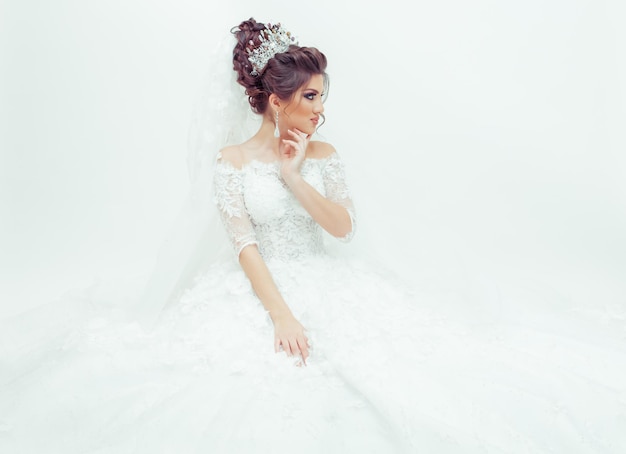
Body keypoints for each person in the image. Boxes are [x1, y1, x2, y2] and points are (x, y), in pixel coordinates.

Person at [0, 17, 624, 454]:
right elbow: (244, 244)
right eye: (308, 96)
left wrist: (296, 177)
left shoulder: (322, 150)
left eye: (322, 96)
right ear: (275, 101)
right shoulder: (231, 162)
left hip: (327, 274)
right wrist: (281, 316)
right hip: (260, 286)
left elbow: (344, 229)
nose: (319, 108)